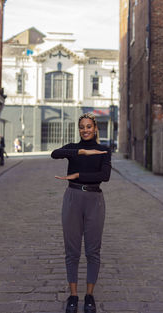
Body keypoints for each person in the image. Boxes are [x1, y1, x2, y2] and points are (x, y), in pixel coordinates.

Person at [51, 113, 111, 313]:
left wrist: (78, 174)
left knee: (93, 251)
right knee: (72, 251)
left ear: (95, 128)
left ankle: (89, 295)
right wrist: (81, 152)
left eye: (88, 126)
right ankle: (73, 295)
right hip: (72, 198)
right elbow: (55, 153)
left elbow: (105, 175)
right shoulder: (73, 147)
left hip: (95, 200)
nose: (85, 130)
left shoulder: (104, 150)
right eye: (81, 127)